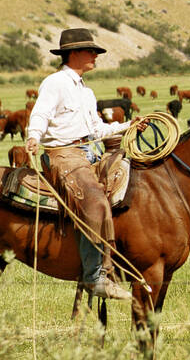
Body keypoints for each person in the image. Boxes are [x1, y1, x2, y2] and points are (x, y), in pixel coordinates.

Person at [25, 28, 144, 301]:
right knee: (96, 201)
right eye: (91, 51)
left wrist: (129, 125)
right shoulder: (55, 82)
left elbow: (96, 129)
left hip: (89, 151)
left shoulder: (86, 91)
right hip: (62, 154)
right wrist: (33, 136)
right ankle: (95, 277)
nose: (95, 56)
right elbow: (41, 113)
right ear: (74, 53)